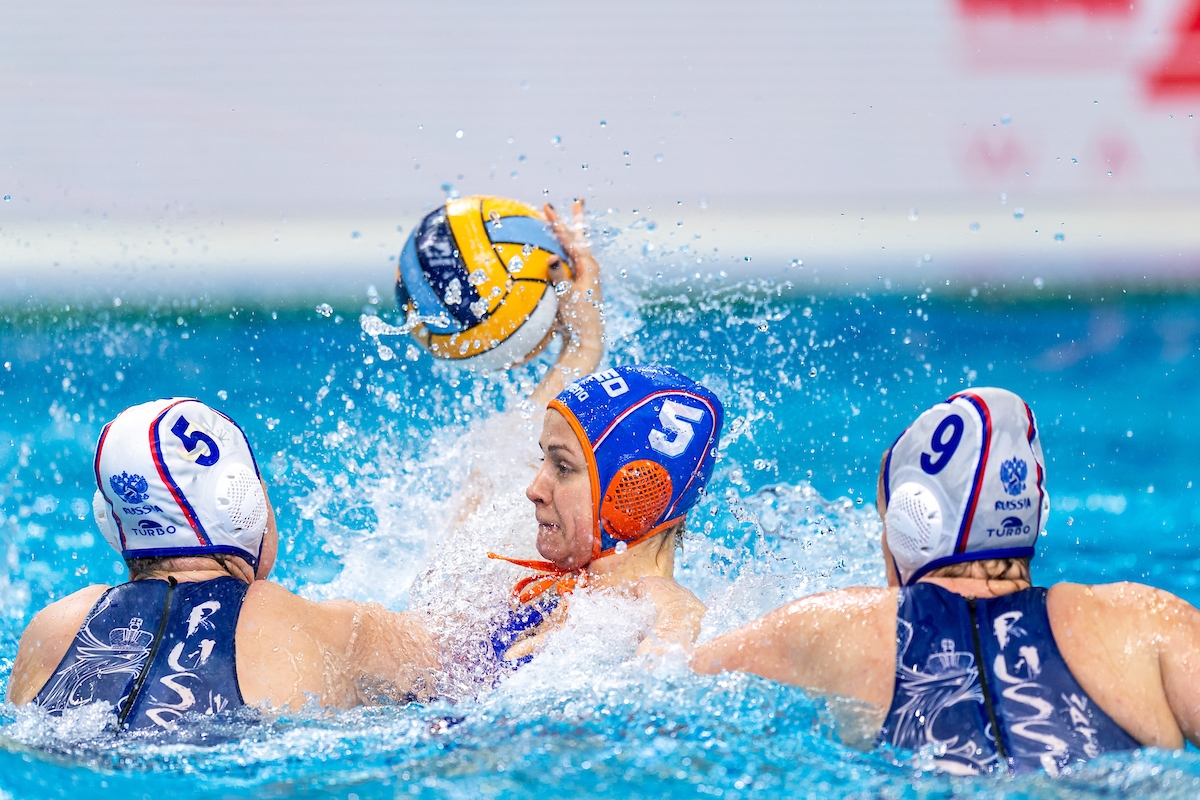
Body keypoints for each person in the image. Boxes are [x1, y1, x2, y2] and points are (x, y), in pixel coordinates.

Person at [693, 387, 1200, 776]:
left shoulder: (832, 627)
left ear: (909, 523)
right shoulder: (1145, 620)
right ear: (1036, 513)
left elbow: (667, 679)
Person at [6, 398, 440, 732]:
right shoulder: (308, 625)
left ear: (110, 519)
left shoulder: (53, 629)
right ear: (242, 503)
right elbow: (460, 657)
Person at [489, 363, 725, 664]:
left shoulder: (662, 614)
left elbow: (671, 654)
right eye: (542, 459)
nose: (534, 489)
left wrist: (681, 619)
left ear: (633, 493)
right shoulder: (543, 593)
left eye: (563, 467)